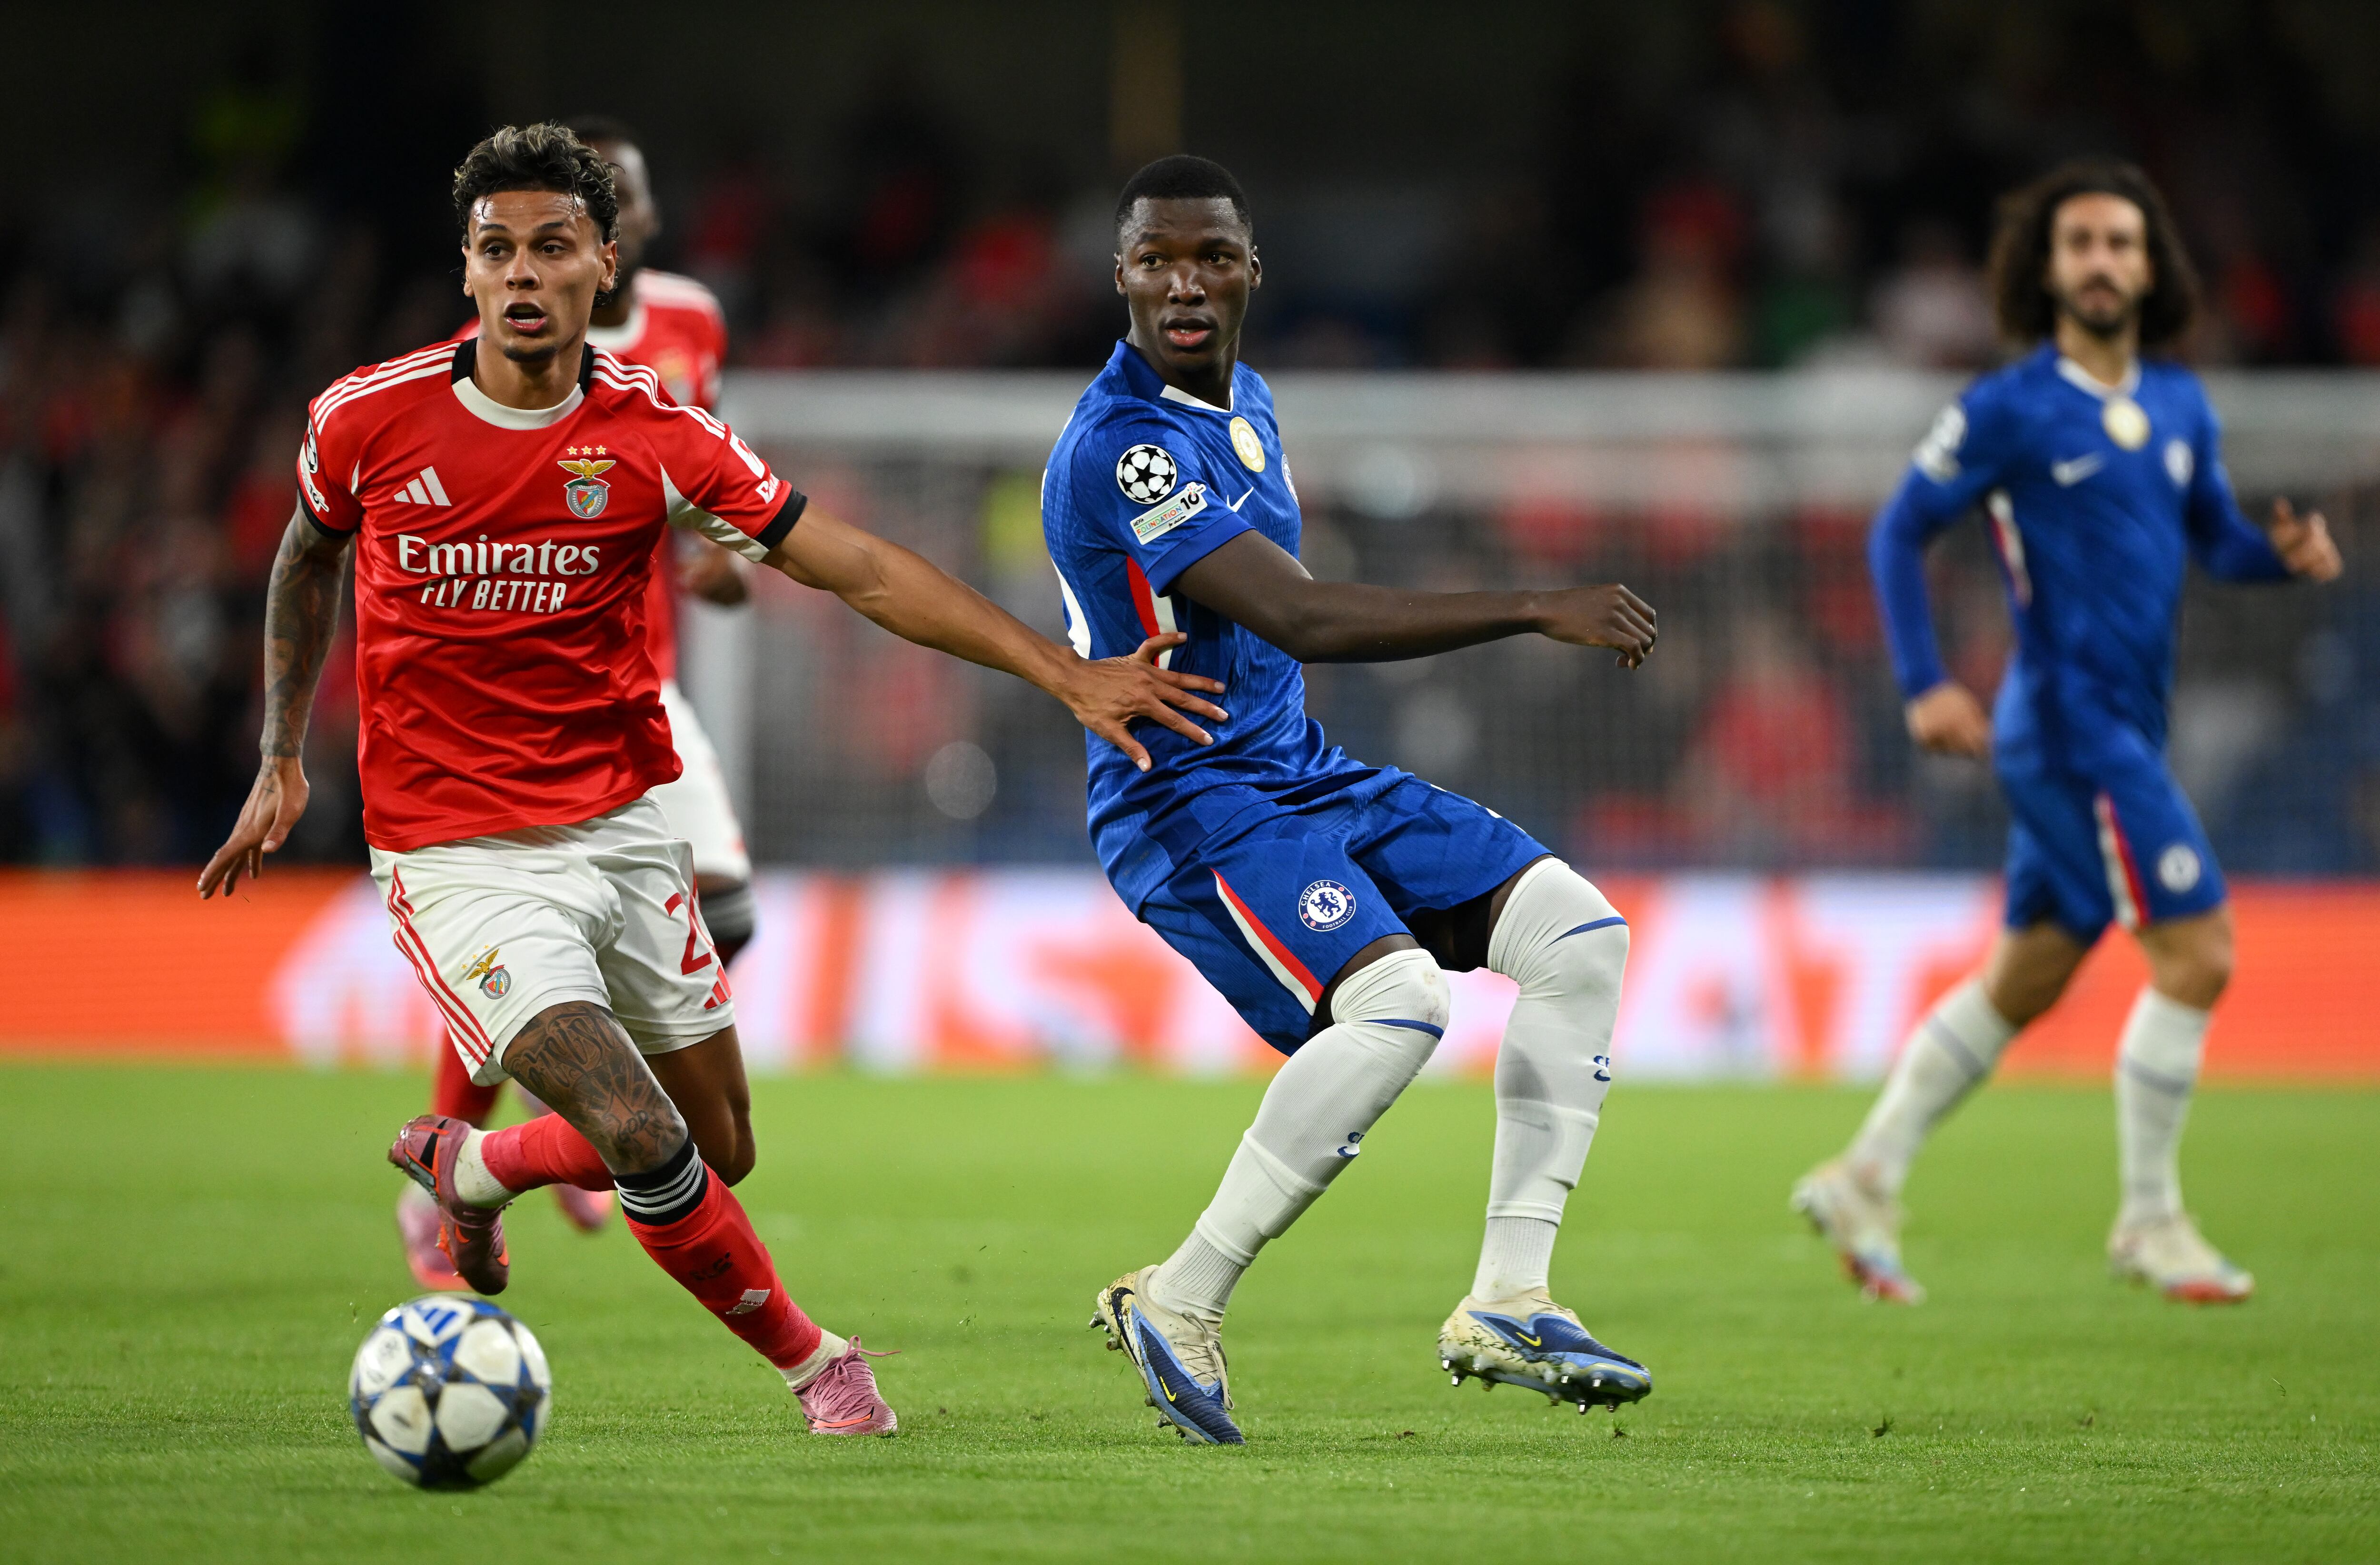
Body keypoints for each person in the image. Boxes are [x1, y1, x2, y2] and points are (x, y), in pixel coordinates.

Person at [198, 123, 1222, 1436]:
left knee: (717, 1145)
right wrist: (282, 752)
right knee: (633, 1127)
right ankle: (821, 1369)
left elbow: (853, 567)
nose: (523, 274)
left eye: (552, 248)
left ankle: (478, 1161)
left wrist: (1061, 671)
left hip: (627, 827)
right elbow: (302, 558)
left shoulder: (651, 430)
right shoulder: (367, 418)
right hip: (457, 853)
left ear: (601, 264)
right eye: (497, 249)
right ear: (465, 270)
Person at [1046, 156, 1659, 1444]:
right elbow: (1304, 614)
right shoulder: (1128, 447)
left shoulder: (1247, 401)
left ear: (1252, 268)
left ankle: (1509, 1296)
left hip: (1297, 771)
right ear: (1120, 277)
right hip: (1190, 801)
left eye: (1211, 255)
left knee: (1578, 936)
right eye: (1156, 258)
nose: (1184, 282)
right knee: (1401, 1003)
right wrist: (1535, 603)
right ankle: (1184, 1296)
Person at [1793, 159, 2342, 1306]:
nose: (2102, 262)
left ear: (2151, 267)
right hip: (2070, 726)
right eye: (2081, 243)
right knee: (2199, 952)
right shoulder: (2009, 408)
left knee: (2030, 973)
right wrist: (1923, 683)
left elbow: (2212, 539)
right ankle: (2149, 1218)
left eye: (2122, 244)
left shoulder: (2182, 403)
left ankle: (1864, 1173)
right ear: (2045, 268)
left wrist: (2276, 556)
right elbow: (1900, 532)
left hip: (2127, 720)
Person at [401, 115, 754, 1283]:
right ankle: (514, 1152)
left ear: (621, 232)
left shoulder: (692, 321)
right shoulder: (494, 349)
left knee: (731, 915)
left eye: (639, 207)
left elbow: (705, 472)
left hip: (638, 681)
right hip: (519, 713)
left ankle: (503, 1150)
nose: (641, 225)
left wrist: (721, 555)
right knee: (546, 957)